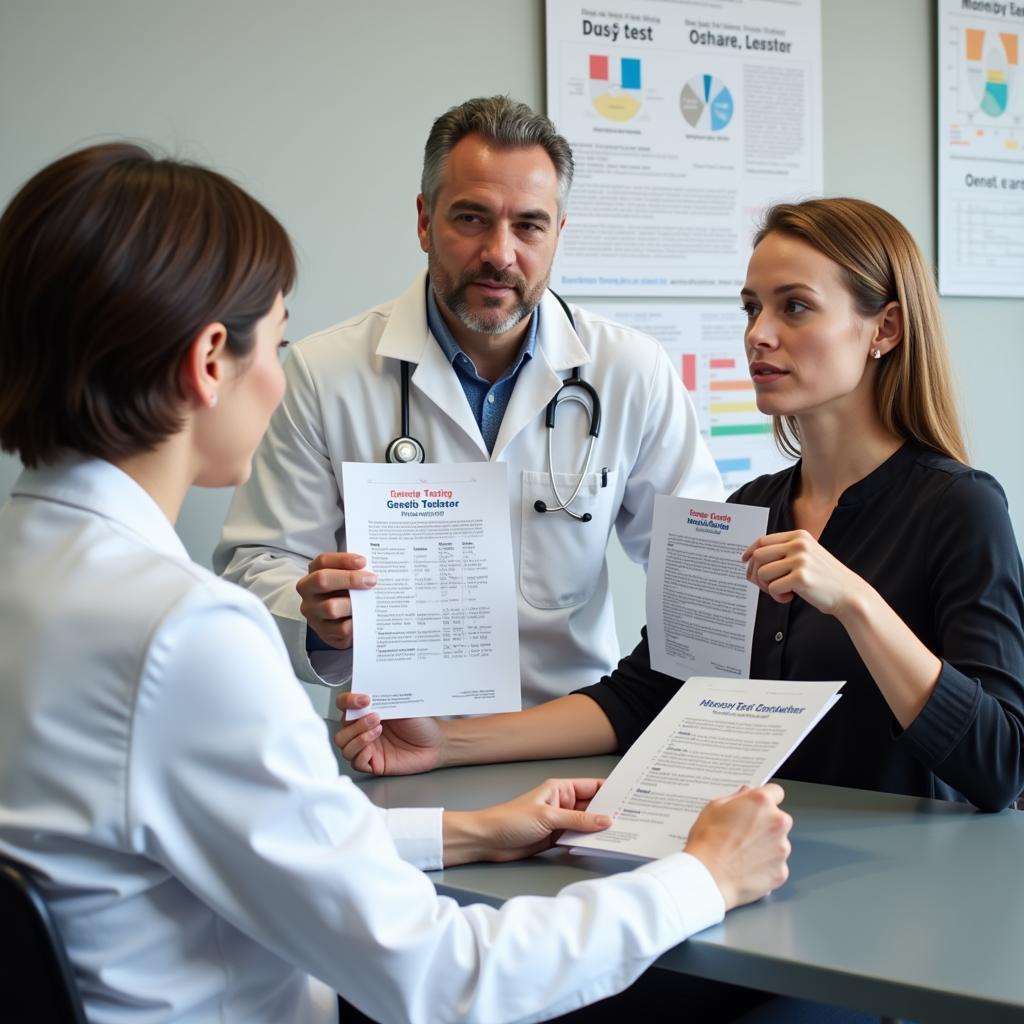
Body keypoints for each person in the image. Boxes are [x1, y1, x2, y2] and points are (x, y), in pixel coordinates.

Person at [0, 144, 791, 1024]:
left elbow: (255, 838)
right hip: (391, 787)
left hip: (550, 759)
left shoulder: (33, 573)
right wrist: (701, 878)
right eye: (278, 338)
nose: (279, 374)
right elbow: (443, 978)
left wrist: (480, 829)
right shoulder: (186, 634)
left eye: (529, 224)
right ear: (210, 359)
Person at [335, 197, 1024, 814]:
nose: (759, 333)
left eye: (795, 306)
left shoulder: (960, 510)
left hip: (909, 904)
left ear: (886, 330)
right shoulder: (746, 511)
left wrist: (856, 601)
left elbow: (999, 766)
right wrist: (444, 745)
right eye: (752, 307)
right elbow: (645, 698)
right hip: (748, 874)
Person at [214, 95, 722, 711]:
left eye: (529, 225)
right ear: (425, 220)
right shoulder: (326, 372)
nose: (500, 254)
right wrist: (311, 608)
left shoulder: (630, 371)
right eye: (472, 218)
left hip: (570, 742)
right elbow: (255, 561)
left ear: (558, 233)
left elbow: (703, 569)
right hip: (395, 742)